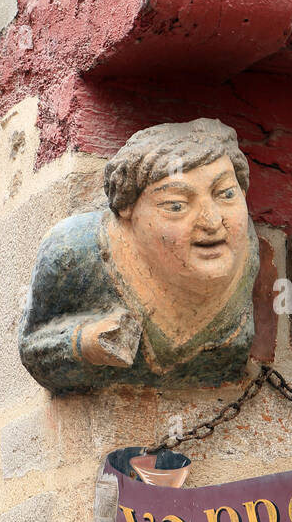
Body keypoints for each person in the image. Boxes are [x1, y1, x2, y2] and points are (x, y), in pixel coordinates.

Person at [19, 118, 261, 392]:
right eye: (176, 205)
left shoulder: (246, 247)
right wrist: (85, 342)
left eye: (226, 194)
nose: (213, 221)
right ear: (128, 210)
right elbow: (32, 346)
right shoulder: (73, 250)